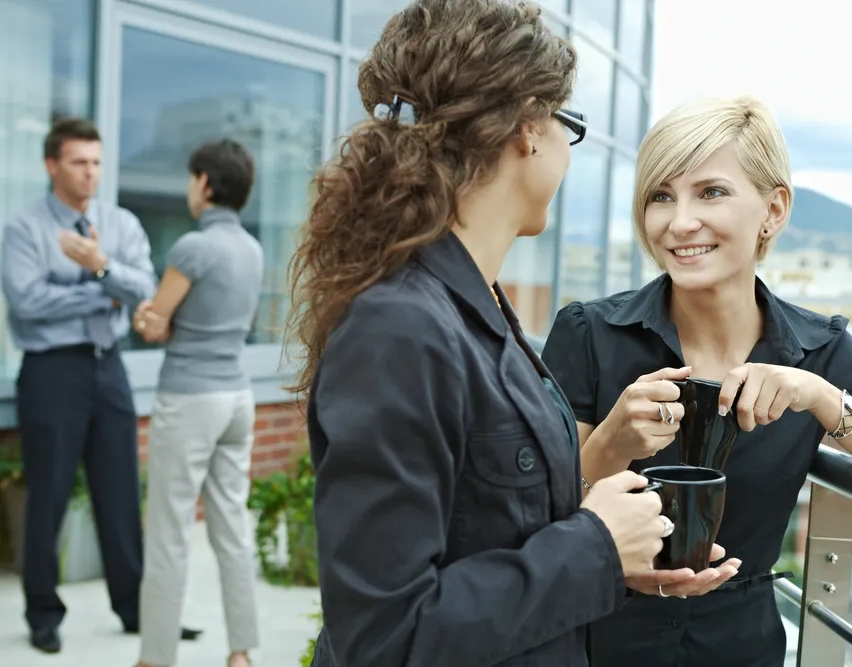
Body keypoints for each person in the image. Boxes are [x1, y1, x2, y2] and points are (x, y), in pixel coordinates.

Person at [283, 2, 727, 666]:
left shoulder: (472, 301)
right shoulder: (400, 328)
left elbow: (485, 535)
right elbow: (384, 637)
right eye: (567, 124)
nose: (567, 150)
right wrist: (596, 547)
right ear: (527, 128)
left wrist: (615, 552)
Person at [541, 95, 852, 667]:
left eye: (711, 192)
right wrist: (611, 444)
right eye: (661, 196)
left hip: (744, 651)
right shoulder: (590, 333)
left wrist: (823, 399)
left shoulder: (821, 353)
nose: (680, 222)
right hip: (591, 648)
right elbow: (533, 514)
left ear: (774, 209)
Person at [0, 117, 196, 654]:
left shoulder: (120, 223)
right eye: (78, 162)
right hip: (51, 371)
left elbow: (146, 288)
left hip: (109, 368)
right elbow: (27, 301)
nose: (90, 173)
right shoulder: (25, 228)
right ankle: (43, 614)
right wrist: (104, 290)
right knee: (48, 494)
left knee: (120, 492)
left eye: (96, 162)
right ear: (52, 165)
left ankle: (134, 609)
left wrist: (99, 266)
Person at [132, 139, 264, 667]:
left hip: (190, 398)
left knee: (169, 532)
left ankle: (154, 658)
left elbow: (155, 323)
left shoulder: (192, 247)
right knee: (232, 527)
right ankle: (241, 653)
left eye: (192, 178)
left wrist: (144, 316)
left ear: (205, 183)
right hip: (237, 396)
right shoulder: (252, 249)